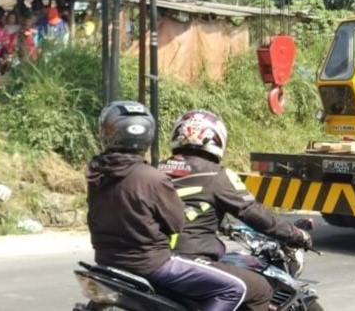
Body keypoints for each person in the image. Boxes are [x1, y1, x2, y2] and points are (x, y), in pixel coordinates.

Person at [86, 101, 246, 311]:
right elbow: (176, 223)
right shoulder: (153, 178)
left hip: (107, 260)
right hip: (152, 265)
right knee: (234, 288)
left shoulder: (96, 172)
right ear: (148, 136)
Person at [158, 109, 313, 311]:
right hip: (188, 259)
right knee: (260, 289)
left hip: (154, 257)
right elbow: (253, 213)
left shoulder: (157, 169)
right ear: (216, 138)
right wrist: (295, 234)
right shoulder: (217, 175)